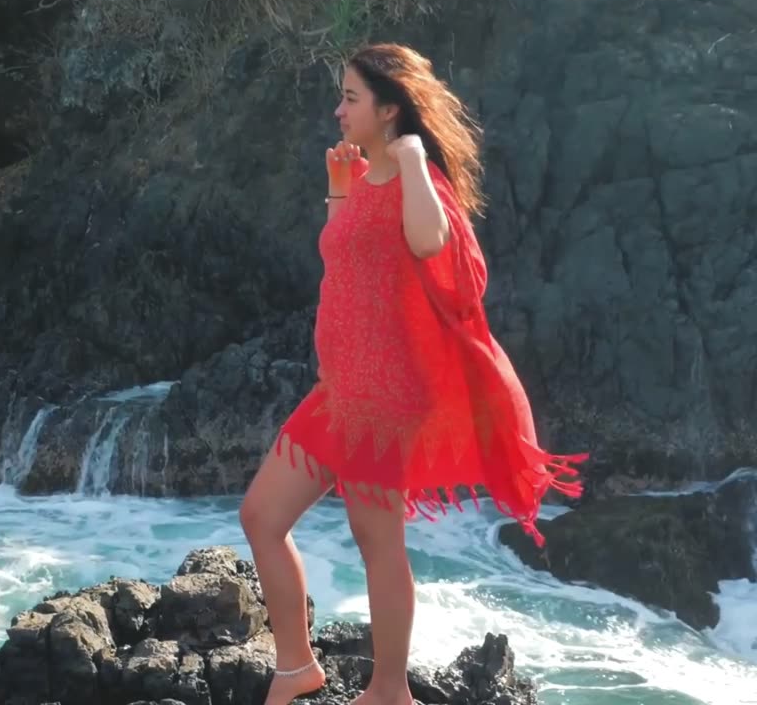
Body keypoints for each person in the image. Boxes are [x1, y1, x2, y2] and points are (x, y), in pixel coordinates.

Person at [237, 43, 586, 705]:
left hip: (386, 396)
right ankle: (296, 666)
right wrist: (339, 191)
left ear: (389, 108)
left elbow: (431, 243)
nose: (338, 109)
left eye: (350, 98)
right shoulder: (363, 175)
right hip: (341, 389)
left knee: (376, 540)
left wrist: (417, 162)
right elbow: (347, 260)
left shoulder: (417, 177)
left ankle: (389, 690)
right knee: (261, 515)